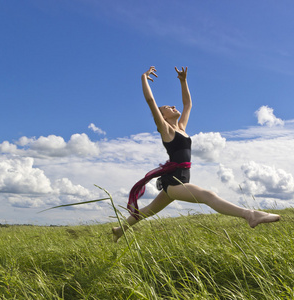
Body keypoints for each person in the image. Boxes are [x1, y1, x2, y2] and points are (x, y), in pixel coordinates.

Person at [112, 66, 280, 242]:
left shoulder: (181, 128)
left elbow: (187, 104)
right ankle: (250, 215)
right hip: (175, 182)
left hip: (179, 180)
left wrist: (183, 82)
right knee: (208, 196)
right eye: (168, 107)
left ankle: (119, 230)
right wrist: (143, 78)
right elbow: (150, 100)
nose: (173, 106)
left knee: (148, 211)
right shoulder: (166, 130)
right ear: (162, 117)